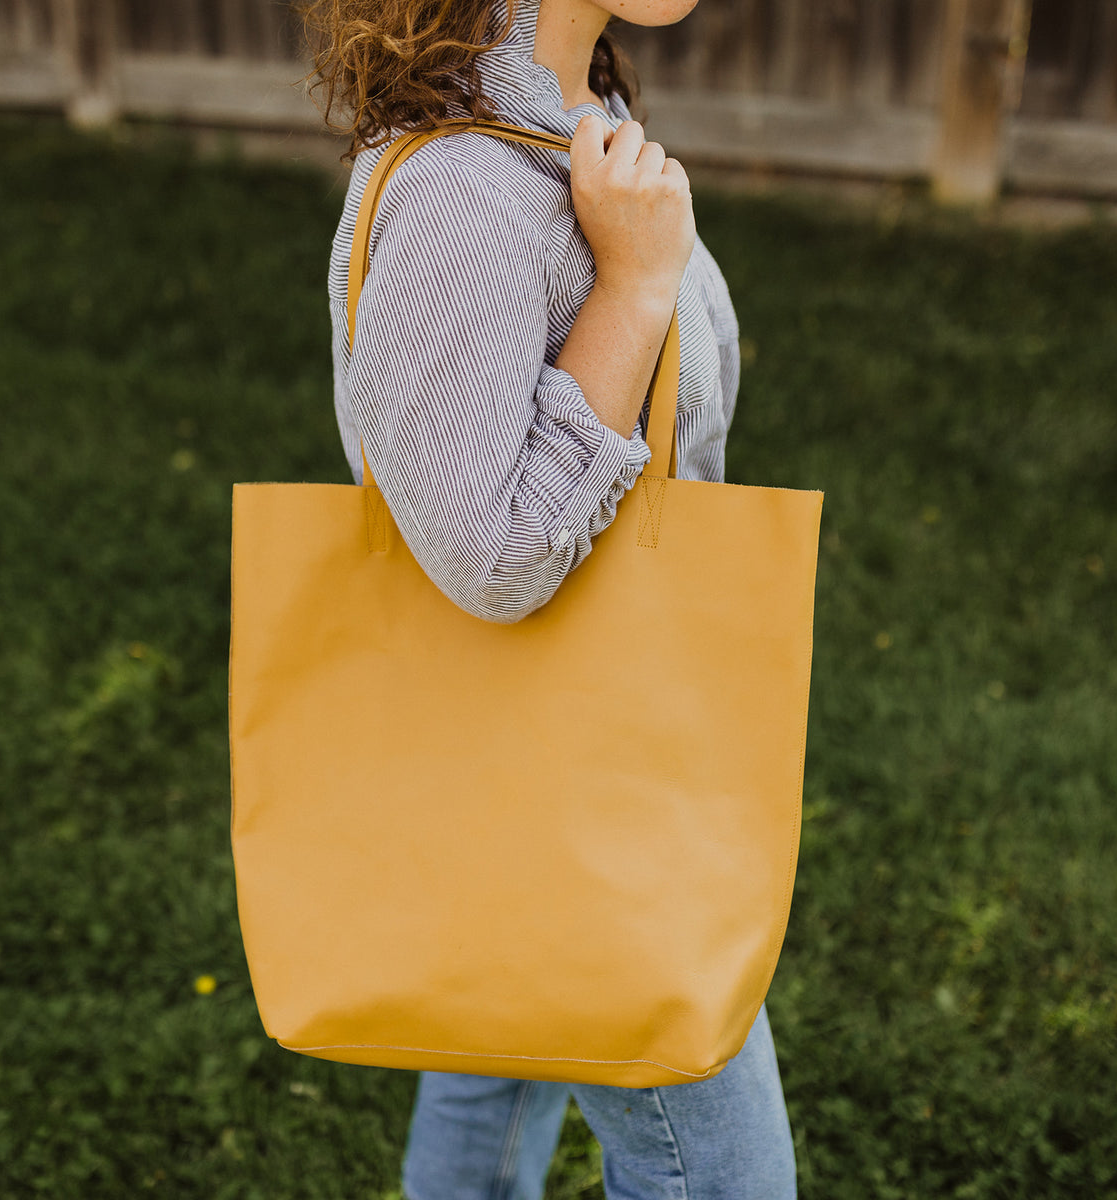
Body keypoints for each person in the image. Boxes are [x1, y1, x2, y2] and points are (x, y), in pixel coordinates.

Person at [303, 0, 797, 1194]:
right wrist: (632, 291)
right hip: (610, 802)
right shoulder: (463, 189)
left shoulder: (577, 119)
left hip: (534, 762)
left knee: (490, 1069)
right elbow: (488, 554)